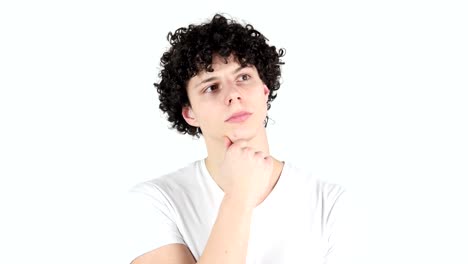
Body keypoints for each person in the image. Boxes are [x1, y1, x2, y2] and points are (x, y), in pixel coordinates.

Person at [126, 13, 357, 264]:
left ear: (265, 91)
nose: (233, 94)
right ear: (189, 113)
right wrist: (240, 194)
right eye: (211, 87)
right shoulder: (155, 200)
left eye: (243, 77)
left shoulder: (329, 202)